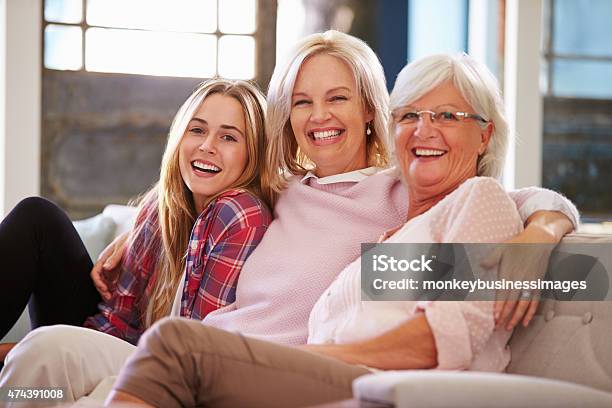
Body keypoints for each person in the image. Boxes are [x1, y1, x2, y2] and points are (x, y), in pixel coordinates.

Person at [0, 31, 577, 403]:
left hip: (254, 367)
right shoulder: (282, 189)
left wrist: (544, 227)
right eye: (302, 101)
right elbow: (202, 177)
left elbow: (496, 196)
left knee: (51, 351)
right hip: (199, 348)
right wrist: (136, 225)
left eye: (337, 98)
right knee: (42, 350)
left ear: (372, 112)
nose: (319, 116)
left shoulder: (402, 190)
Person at [0, 79, 271, 384]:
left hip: (160, 361)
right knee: (37, 217)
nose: (207, 145)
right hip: (121, 340)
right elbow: (118, 320)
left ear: (254, 152)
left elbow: (196, 347)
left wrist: (21, 350)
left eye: (228, 137)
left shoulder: (241, 214)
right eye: (197, 130)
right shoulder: (162, 205)